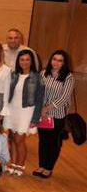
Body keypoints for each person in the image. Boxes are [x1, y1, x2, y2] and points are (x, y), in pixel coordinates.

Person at [4, 49, 44, 177]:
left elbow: (40, 99)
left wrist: (35, 118)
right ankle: (13, 163)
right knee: (12, 138)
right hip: (12, 109)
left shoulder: (37, 77)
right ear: (18, 61)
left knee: (19, 139)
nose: (24, 62)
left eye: (27, 60)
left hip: (26, 111)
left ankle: (20, 165)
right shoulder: (14, 75)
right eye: (22, 59)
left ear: (31, 61)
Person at [35, 50, 75, 178]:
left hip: (57, 115)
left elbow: (64, 97)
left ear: (64, 63)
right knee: (43, 141)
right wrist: (41, 108)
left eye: (60, 60)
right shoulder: (44, 73)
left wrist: (47, 108)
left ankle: (48, 168)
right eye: (54, 59)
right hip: (42, 114)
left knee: (54, 143)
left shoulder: (68, 77)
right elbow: (38, 91)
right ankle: (41, 166)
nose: (56, 63)